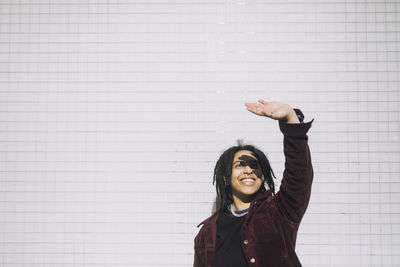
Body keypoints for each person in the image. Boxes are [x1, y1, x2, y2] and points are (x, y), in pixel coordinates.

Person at [193, 100, 314, 267]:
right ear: (226, 177)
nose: (248, 170)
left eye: (254, 165)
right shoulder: (207, 232)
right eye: (239, 165)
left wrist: (291, 120)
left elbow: (299, 175)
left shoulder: (278, 211)